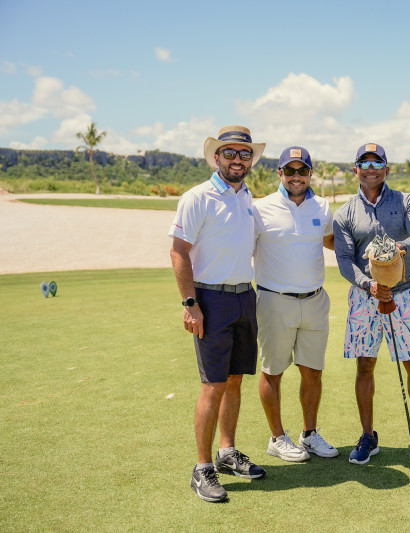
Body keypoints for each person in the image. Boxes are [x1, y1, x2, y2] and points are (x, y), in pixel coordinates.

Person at [169, 125, 267, 503]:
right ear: (216, 158)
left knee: (235, 380)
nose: (238, 160)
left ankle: (227, 452)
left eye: (244, 154)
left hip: (245, 297)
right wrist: (190, 303)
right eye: (230, 153)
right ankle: (202, 467)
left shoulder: (246, 198)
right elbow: (178, 251)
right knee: (213, 384)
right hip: (210, 299)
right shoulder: (198, 197)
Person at [333, 143, 410, 469]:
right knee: (364, 367)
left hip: (403, 296)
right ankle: (368, 436)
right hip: (364, 298)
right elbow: (344, 260)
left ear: (386, 168)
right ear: (356, 171)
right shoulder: (345, 213)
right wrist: (370, 284)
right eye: (363, 163)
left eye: (377, 161)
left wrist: (395, 251)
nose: (370, 167)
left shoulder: (405, 201)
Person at [253, 146, 338, 462]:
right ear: (280, 174)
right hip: (275, 300)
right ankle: (277, 438)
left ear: (310, 174)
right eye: (290, 171)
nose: (297, 176)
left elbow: (330, 240)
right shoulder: (260, 209)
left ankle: (309, 434)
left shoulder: (321, 207)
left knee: (312, 372)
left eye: (302, 170)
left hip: (315, 300)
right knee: (272, 372)